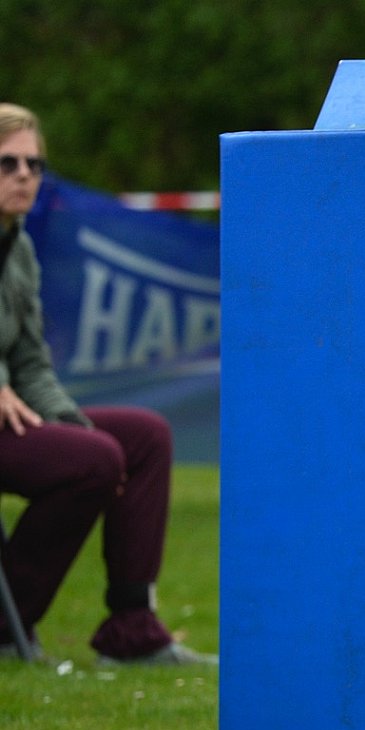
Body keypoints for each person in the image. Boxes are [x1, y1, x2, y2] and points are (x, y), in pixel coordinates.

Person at [0, 103, 215, 666]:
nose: (24, 175)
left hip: (12, 416)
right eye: (8, 163)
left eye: (34, 165)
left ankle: (132, 631)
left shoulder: (18, 248)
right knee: (94, 460)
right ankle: (5, 627)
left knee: (142, 437)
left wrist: (70, 423)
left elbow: (32, 364)